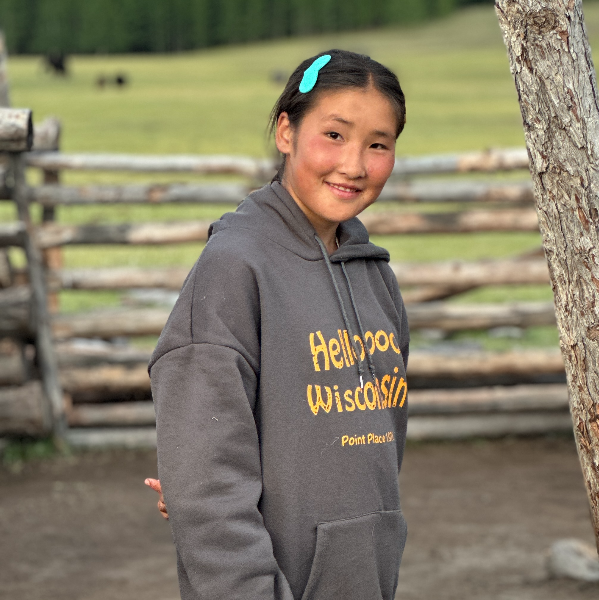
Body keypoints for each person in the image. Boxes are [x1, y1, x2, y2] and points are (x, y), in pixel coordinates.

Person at [144, 49, 410, 600]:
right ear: (285, 131)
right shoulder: (233, 270)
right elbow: (208, 486)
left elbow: (382, 451)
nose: (356, 164)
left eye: (378, 144)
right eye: (334, 135)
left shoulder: (376, 279)